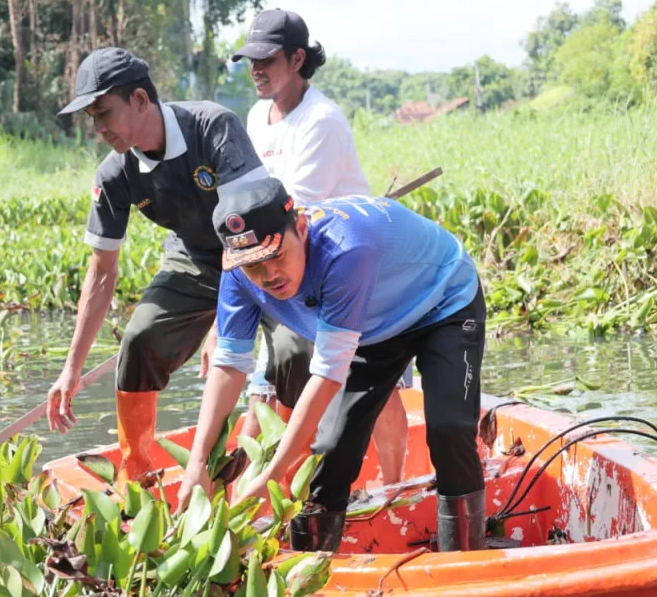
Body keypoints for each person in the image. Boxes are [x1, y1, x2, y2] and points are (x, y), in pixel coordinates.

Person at [179, 177, 487, 553]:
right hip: (372, 328)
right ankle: (311, 565)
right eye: (252, 266)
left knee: (449, 428)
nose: (268, 276)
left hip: (444, 302)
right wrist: (196, 464)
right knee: (329, 449)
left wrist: (273, 474)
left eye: (276, 256)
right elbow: (228, 366)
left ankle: (465, 555)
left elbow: (326, 375)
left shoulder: (346, 250)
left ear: (302, 228)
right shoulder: (240, 276)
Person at [47, 46, 294, 486]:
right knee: (140, 340)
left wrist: (225, 318)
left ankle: (282, 473)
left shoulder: (212, 127)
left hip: (264, 251)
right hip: (196, 257)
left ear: (140, 100)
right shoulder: (114, 175)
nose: (98, 128)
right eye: (92, 119)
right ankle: (138, 475)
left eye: (104, 113)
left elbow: (248, 229)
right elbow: (102, 273)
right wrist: (71, 369)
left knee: (296, 354)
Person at [222, 8, 409, 484]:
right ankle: (272, 486)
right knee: (265, 380)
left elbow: (291, 212)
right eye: (250, 61)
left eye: (266, 59)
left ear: (297, 58)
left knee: (372, 375)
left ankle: (394, 484)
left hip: (344, 260)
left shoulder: (321, 120)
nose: (256, 70)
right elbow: (253, 204)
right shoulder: (256, 117)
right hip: (286, 263)